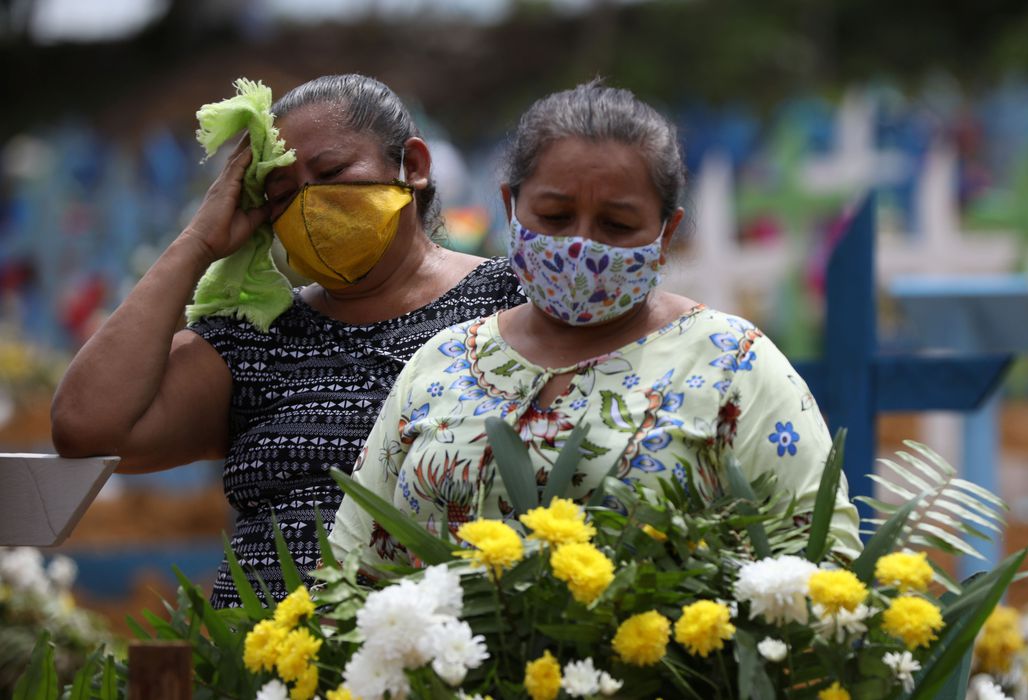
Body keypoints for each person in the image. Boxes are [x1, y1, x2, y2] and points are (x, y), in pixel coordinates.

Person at [329, 80, 861, 567]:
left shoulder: (730, 362)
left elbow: (819, 562)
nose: (581, 244)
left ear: (666, 232)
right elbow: (354, 568)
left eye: (617, 224)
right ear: (511, 208)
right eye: (556, 218)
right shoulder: (441, 364)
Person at [50, 74, 526, 607]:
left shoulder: (512, 303)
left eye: (332, 172)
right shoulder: (255, 340)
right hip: (263, 666)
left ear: (412, 166)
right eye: (281, 194)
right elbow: (86, 427)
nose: (309, 203)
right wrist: (197, 242)